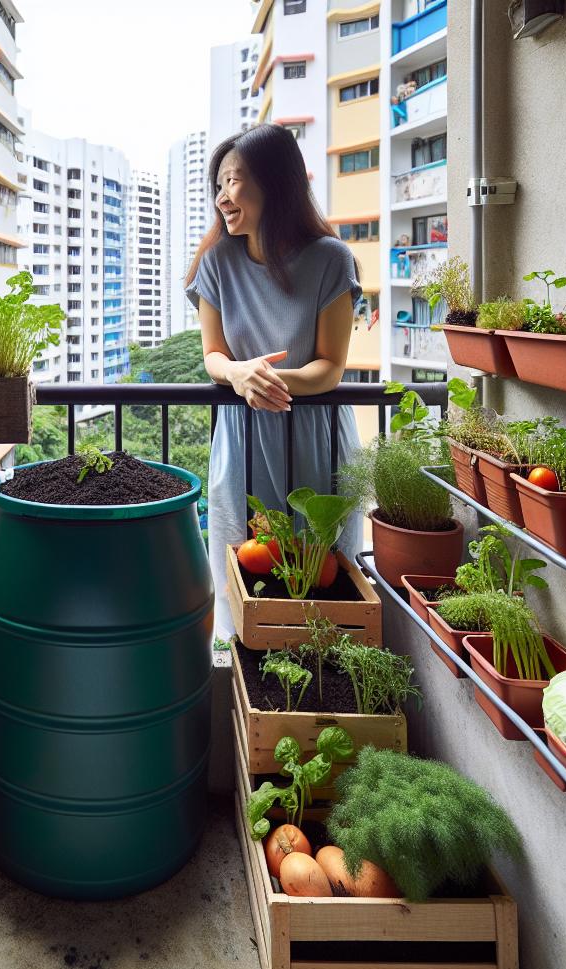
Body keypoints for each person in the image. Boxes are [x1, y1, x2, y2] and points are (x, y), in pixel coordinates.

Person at [185, 124, 363, 640]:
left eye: (234, 180)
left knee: (323, 579)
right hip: (242, 437)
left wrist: (269, 381)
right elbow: (213, 355)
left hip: (314, 437)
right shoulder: (217, 262)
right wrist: (241, 374)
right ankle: (249, 693)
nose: (222, 197)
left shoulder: (332, 259)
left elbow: (331, 365)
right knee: (244, 580)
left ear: (275, 184)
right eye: (218, 184)